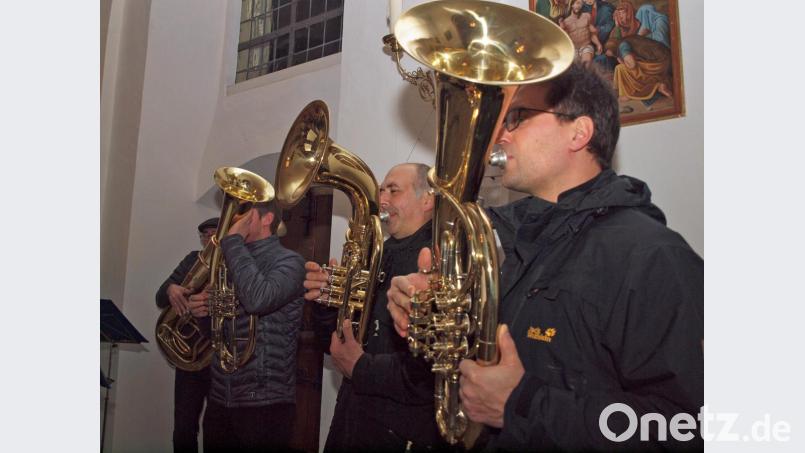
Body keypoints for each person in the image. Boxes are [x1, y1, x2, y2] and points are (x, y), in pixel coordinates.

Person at [388, 62, 704, 450]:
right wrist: (432, 317)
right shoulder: (512, 242)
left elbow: (690, 429)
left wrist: (522, 404)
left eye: (517, 117)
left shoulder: (654, 257)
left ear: (578, 132)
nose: (500, 133)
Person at [304, 163, 446, 451]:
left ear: (428, 199)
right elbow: (333, 344)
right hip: (352, 418)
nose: (382, 200)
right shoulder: (376, 253)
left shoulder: (440, 261)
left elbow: (430, 373)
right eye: (382, 191)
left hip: (399, 431)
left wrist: (361, 367)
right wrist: (327, 302)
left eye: (394, 191)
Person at [185, 201, 306, 452]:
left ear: (266, 218)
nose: (234, 221)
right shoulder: (229, 261)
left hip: (265, 403)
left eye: (243, 214)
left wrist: (232, 242)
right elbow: (218, 335)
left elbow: (257, 300)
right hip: (221, 399)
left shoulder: (291, 262)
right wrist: (203, 313)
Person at [155, 216, 218, 453]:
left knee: (217, 426)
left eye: (214, 233)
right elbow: (160, 297)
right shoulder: (193, 260)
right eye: (205, 235)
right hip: (189, 356)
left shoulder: (235, 261)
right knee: (183, 426)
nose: (209, 238)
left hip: (219, 357)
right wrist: (171, 288)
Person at [559, 0, 604, 67]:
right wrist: (562, 28)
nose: (579, 6)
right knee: (574, 69)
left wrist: (598, 44)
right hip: (574, 49)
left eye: (581, 4)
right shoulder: (566, 22)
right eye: (577, 3)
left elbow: (592, 33)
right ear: (572, 5)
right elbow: (565, 40)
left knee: (586, 65)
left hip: (586, 46)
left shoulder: (587, 16)